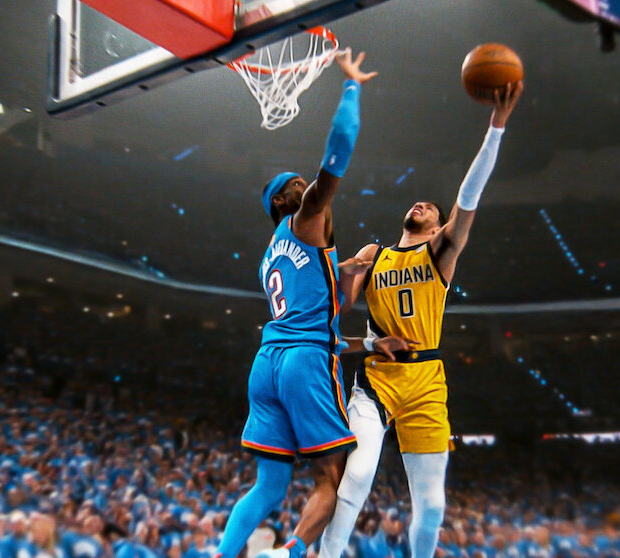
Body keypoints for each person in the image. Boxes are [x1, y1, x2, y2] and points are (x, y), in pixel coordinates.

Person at [319, 81, 524, 558]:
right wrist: (346, 272)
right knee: (358, 474)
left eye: (431, 208)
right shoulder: (375, 253)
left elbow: (469, 195)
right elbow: (339, 310)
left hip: (427, 380)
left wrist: (496, 126)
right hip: (378, 378)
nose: (421, 205)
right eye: (417, 204)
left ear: (438, 227)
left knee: (432, 507)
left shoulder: (441, 252)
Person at [212, 49, 385, 558]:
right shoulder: (305, 217)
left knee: (268, 486)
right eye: (296, 186)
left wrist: (350, 272)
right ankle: (289, 554)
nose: (305, 187)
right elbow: (337, 155)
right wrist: (351, 87)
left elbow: (323, 310)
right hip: (304, 362)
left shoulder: (271, 255)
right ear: (283, 202)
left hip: (267, 364)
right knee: (331, 478)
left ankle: (221, 554)